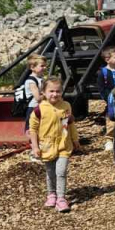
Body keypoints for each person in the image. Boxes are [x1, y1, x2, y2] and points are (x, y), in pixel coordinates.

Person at [28, 77, 81, 213]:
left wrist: (75, 140)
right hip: (47, 146)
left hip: (64, 145)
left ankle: (61, 198)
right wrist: (35, 146)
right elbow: (33, 129)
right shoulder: (39, 109)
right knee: (51, 172)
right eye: (51, 91)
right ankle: (52, 193)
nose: (55, 94)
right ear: (44, 92)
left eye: (58, 91)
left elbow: (70, 124)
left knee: (61, 171)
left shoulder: (65, 106)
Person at [21, 54, 47, 162]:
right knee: (33, 130)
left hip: (40, 107)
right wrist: (48, 95)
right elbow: (37, 97)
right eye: (42, 66)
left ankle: (41, 149)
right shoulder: (31, 81)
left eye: (45, 66)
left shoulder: (41, 78)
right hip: (33, 108)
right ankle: (33, 152)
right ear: (33, 67)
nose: (44, 68)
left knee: (41, 129)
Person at [97, 46, 115, 152]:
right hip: (111, 100)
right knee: (111, 120)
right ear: (108, 59)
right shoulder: (103, 72)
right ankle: (109, 139)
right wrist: (108, 97)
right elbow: (101, 87)